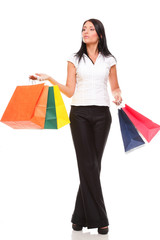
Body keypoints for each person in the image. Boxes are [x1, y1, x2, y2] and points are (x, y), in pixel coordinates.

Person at [29, 18, 122, 235]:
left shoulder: (109, 59)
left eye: (90, 29)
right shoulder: (74, 58)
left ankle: (79, 217)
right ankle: (101, 218)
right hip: (79, 114)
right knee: (88, 165)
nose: (85, 32)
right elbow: (70, 91)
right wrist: (50, 78)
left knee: (93, 166)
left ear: (100, 33)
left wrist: (117, 96)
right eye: (83, 29)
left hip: (102, 115)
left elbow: (115, 87)